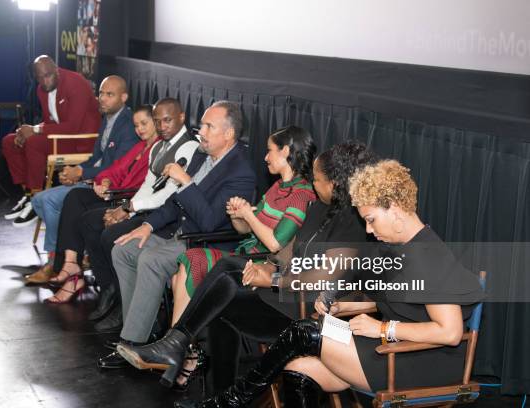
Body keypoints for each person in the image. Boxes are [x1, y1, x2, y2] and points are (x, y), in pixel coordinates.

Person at [175, 159, 484, 407]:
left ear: (394, 208)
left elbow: (450, 332)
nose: (368, 229)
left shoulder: (428, 255)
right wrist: (350, 305)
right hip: (393, 349)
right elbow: (410, 302)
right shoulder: (403, 248)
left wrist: (381, 329)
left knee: (304, 332)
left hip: (418, 362)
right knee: (298, 369)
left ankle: (230, 401)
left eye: (372, 219)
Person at [115, 142, 376, 391]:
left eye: (317, 180)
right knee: (221, 298)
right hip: (286, 297)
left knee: (226, 278)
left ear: (336, 183)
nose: (313, 185)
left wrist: (274, 279)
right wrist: (271, 266)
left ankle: (176, 344)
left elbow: (325, 276)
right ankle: (202, 375)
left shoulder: (357, 222)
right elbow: (291, 251)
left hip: (311, 314)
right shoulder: (319, 207)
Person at [98, 101, 256, 369]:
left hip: (205, 243)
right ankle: (143, 329)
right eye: (202, 124)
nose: (201, 131)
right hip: (179, 232)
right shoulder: (201, 154)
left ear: (228, 134)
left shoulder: (240, 172)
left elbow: (210, 222)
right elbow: (174, 203)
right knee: (123, 250)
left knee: (151, 260)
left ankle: (133, 344)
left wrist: (185, 181)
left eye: (209, 126)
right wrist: (147, 226)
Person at [58, 98, 200, 330]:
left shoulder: (188, 147)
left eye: (167, 120)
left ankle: (124, 305)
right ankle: (109, 289)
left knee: (109, 236)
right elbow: (148, 185)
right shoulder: (159, 146)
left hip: (168, 218)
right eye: (158, 121)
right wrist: (126, 209)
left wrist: (128, 209)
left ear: (182, 117)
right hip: (146, 208)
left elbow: (170, 196)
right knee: (89, 222)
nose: (162, 125)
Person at [169, 125, 317, 325]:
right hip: (247, 255)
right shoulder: (277, 187)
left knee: (191, 262)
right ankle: (181, 347)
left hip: (260, 264)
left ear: (285, 151)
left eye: (270, 150)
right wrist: (239, 215)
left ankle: (176, 345)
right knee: (178, 278)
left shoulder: (301, 195)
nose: (265, 157)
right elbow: (245, 231)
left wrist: (249, 215)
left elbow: (275, 244)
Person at [24, 75, 138, 283]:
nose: (102, 98)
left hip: (106, 186)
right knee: (38, 200)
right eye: (101, 93)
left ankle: (55, 261)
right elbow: (96, 158)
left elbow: (116, 168)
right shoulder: (108, 119)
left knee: (49, 201)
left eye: (109, 94)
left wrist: (82, 174)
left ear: (124, 97)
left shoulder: (129, 125)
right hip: (91, 179)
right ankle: (71, 254)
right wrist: (76, 170)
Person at [42, 105, 160, 303]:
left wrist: (113, 189)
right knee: (75, 197)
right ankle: (70, 264)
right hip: (115, 192)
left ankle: (75, 278)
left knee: (84, 216)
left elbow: (143, 187)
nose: (139, 129)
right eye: (136, 125)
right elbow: (115, 169)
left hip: (127, 199)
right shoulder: (140, 146)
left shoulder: (157, 149)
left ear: (155, 122)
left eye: (144, 123)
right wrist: (104, 181)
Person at [1, 55, 101, 225]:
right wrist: (25, 131)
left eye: (48, 75)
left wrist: (34, 130)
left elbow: (73, 126)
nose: (45, 81)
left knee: (33, 143)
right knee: (10, 142)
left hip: (81, 141)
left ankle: (36, 199)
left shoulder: (75, 83)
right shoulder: (42, 90)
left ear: (56, 70)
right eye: (40, 78)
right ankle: (29, 195)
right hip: (61, 136)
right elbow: (50, 123)